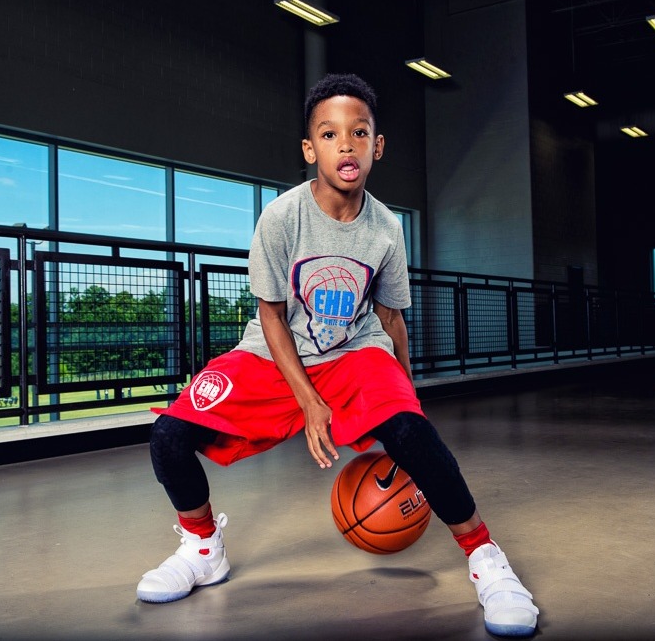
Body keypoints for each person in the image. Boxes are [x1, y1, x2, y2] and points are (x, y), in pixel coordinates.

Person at [137, 72, 539, 638]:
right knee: (169, 436)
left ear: (377, 146)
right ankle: (204, 549)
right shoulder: (282, 217)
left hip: (354, 351)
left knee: (411, 432)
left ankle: (485, 557)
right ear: (310, 149)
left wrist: (408, 407)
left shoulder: (386, 229)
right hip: (275, 353)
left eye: (359, 132)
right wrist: (309, 402)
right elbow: (272, 316)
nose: (345, 145)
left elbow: (392, 319)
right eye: (329, 134)